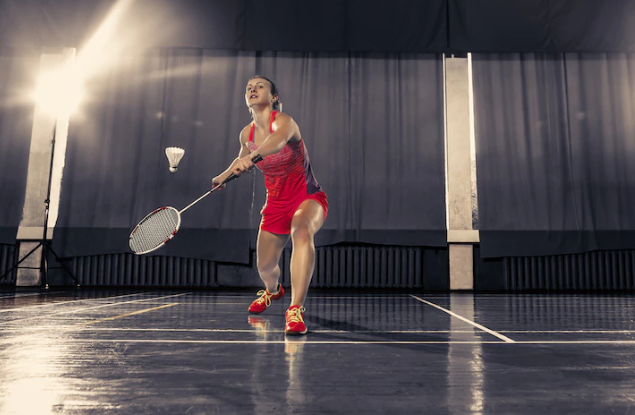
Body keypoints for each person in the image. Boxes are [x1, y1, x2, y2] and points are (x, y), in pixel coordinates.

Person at [212, 76, 328, 335]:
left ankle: (295, 310)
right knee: (265, 266)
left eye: (260, 86)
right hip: (275, 205)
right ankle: (273, 292)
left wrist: (251, 159)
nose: (252, 89)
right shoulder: (246, 134)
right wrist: (223, 177)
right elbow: (239, 161)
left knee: (301, 229)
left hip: (307, 197)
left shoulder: (284, 122)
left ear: (274, 97)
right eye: (248, 87)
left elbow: (276, 143)